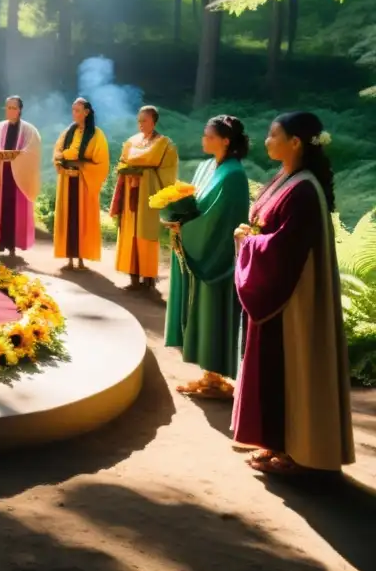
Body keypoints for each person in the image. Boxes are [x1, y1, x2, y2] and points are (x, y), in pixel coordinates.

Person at [232, 112, 355, 475]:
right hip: (281, 290)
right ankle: (277, 444)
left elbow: (287, 247)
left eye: (273, 135)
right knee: (272, 368)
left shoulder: (303, 188)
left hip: (295, 298)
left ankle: (296, 452)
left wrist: (248, 242)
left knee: (289, 368)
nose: (267, 141)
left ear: (296, 142)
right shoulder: (288, 178)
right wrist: (252, 235)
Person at [166, 115, 250, 399]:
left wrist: (185, 226)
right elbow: (195, 200)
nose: (204, 139)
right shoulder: (206, 166)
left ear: (226, 140)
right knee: (198, 312)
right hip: (198, 245)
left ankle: (216, 377)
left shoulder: (234, 174)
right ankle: (208, 375)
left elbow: (221, 218)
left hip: (216, 255)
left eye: (209, 135)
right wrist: (177, 215)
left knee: (214, 312)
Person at [109, 106, 179, 291]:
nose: (141, 124)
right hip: (130, 193)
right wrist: (129, 170)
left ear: (154, 121)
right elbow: (124, 161)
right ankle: (132, 275)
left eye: (144, 120)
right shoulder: (131, 141)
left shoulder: (164, 144)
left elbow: (166, 170)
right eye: (139, 121)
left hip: (148, 194)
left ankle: (148, 276)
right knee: (130, 233)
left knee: (146, 233)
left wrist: (143, 171)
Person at [0, 96, 41, 256]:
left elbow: (33, 151)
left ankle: (13, 244)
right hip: (1, 174)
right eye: (8, 107)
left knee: (15, 211)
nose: (10, 110)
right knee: (1, 208)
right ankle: (1, 241)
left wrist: (17, 156)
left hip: (18, 176)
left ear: (19, 110)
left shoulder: (28, 130)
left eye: (13, 107)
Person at [52, 97, 110, 270]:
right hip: (67, 180)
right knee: (68, 218)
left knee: (82, 218)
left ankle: (82, 258)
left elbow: (101, 162)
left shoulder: (97, 134)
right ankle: (69, 257)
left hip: (84, 181)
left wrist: (81, 163)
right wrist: (63, 158)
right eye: (73, 110)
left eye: (77, 110)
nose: (74, 113)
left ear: (86, 112)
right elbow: (57, 151)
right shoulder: (68, 131)